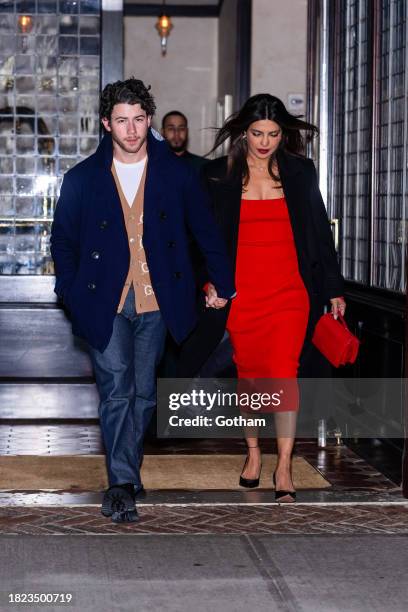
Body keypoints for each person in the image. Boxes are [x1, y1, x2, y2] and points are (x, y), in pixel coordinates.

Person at [50, 78, 235, 523]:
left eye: (138, 120)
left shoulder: (178, 175)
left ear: (148, 120)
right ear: (105, 124)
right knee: (116, 390)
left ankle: (127, 469)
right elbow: (63, 243)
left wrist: (221, 283)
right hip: (104, 300)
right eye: (121, 121)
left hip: (159, 297)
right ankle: (120, 483)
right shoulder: (81, 178)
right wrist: (71, 294)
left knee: (145, 394)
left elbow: (205, 233)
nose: (131, 130)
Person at [182, 93, 345, 502]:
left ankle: (285, 465)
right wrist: (210, 284)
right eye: (257, 133)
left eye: (273, 134)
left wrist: (333, 289)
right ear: (243, 132)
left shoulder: (300, 172)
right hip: (244, 295)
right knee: (251, 377)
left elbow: (320, 236)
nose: (265, 141)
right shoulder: (217, 175)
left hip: (290, 292)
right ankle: (254, 452)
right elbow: (200, 241)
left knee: (284, 372)